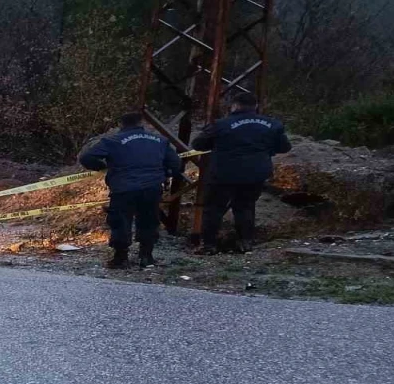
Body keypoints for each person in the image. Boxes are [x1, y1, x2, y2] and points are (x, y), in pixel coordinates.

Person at [80, 112, 185, 269]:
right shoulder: (160, 140)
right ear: (141, 122)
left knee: (120, 222)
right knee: (149, 221)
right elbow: (176, 165)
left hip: (123, 188)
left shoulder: (112, 140)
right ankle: (146, 257)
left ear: (121, 124)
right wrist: (165, 174)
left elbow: (86, 158)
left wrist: (102, 167)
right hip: (151, 188)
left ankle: (121, 258)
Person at [192, 92, 292, 253]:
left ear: (235, 105)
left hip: (224, 173)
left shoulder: (221, 124)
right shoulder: (273, 124)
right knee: (246, 207)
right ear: (256, 106)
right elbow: (285, 147)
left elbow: (198, 144)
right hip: (256, 173)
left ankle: (209, 245)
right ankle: (245, 242)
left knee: (214, 209)